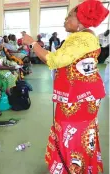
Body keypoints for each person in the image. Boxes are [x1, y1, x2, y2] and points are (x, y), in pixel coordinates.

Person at [22, 1, 108, 173]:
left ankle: (71, 167)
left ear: (80, 22)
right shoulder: (88, 37)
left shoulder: (80, 39)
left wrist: (33, 44)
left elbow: (54, 60)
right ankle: (82, 165)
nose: (65, 19)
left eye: (70, 16)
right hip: (86, 95)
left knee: (71, 130)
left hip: (77, 97)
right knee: (81, 130)